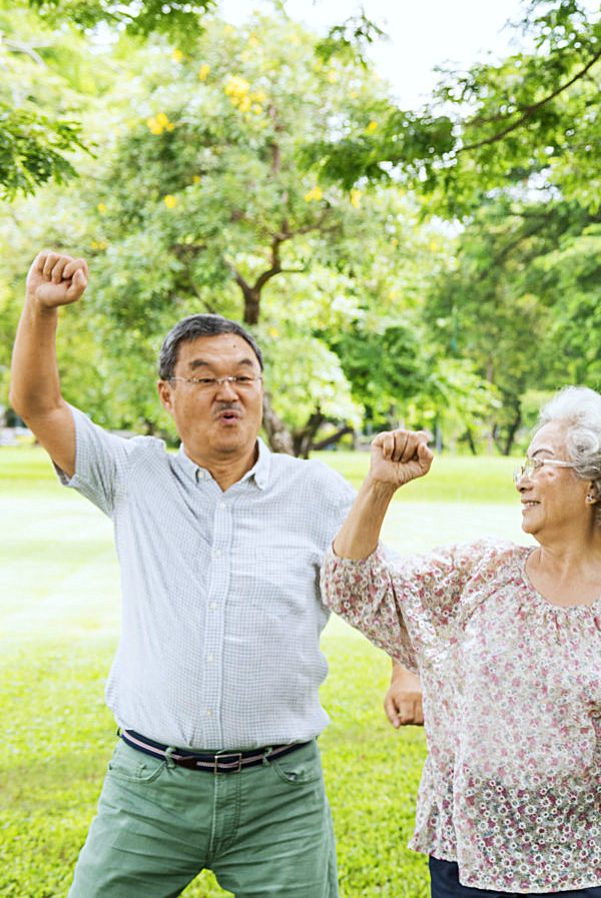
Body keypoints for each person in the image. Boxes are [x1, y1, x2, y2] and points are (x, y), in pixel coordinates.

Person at [7, 251, 354, 895]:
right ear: (168, 396)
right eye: (204, 378)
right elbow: (36, 402)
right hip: (149, 790)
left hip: (281, 795)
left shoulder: (317, 490)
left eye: (243, 377)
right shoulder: (133, 474)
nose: (229, 392)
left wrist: (407, 668)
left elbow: (377, 586)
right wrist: (41, 307)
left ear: (260, 389)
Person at [322, 387, 601, 897]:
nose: (523, 481)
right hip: (470, 860)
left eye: (540, 463)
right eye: (522, 466)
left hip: (594, 870)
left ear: (594, 483)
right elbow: (352, 588)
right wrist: (378, 486)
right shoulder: (478, 572)